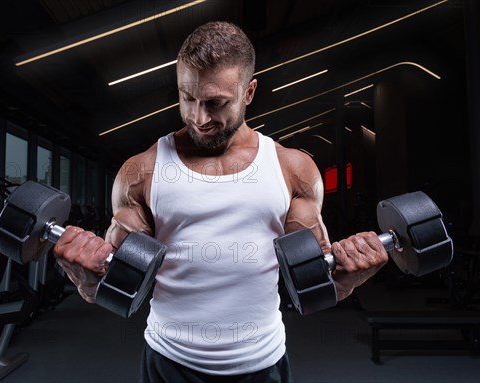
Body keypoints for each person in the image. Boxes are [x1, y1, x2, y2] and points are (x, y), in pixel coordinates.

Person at [53, 21, 388, 382]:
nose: (199, 118)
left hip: (261, 362)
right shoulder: (142, 170)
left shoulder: (293, 169)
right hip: (169, 362)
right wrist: (83, 278)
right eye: (187, 98)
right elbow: (116, 285)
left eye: (216, 103)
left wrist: (353, 276)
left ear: (249, 92)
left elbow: (316, 284)